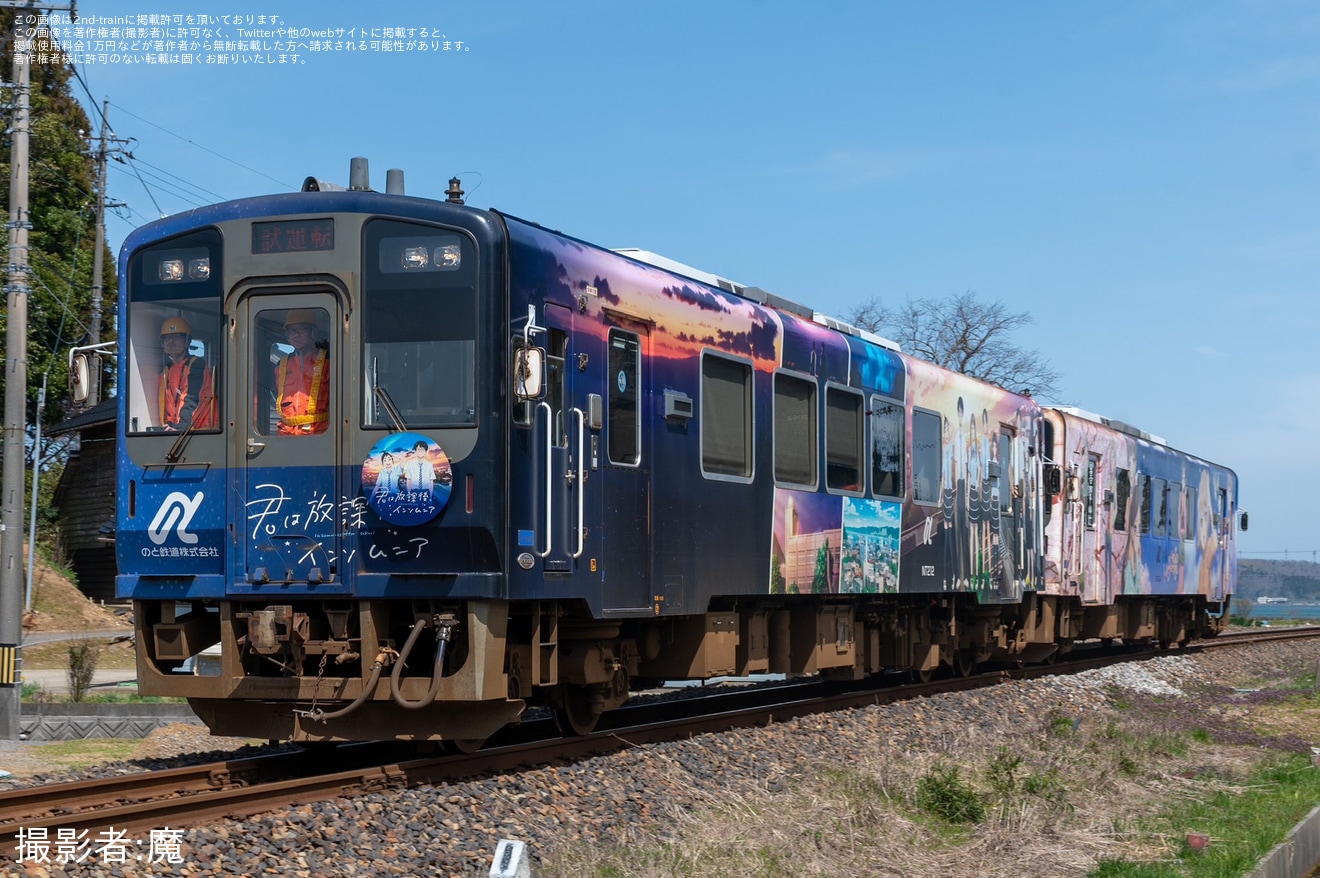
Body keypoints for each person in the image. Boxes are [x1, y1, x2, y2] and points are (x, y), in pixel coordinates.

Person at [276, 309, 330, 435]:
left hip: (320, 434)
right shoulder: (280, 365)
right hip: (286, 436)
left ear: (313, 332)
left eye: (301, 329)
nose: (296, 335)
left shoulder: (330, 362)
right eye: (292, 331)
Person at [158, 316, 216, 431]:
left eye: (176, 337)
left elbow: (192, 400)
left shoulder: (196, 365)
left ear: (188, 341)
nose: (171, 341)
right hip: (175, 430)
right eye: (167, 338)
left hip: (199, 432)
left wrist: (181, 427)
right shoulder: (165, 371)